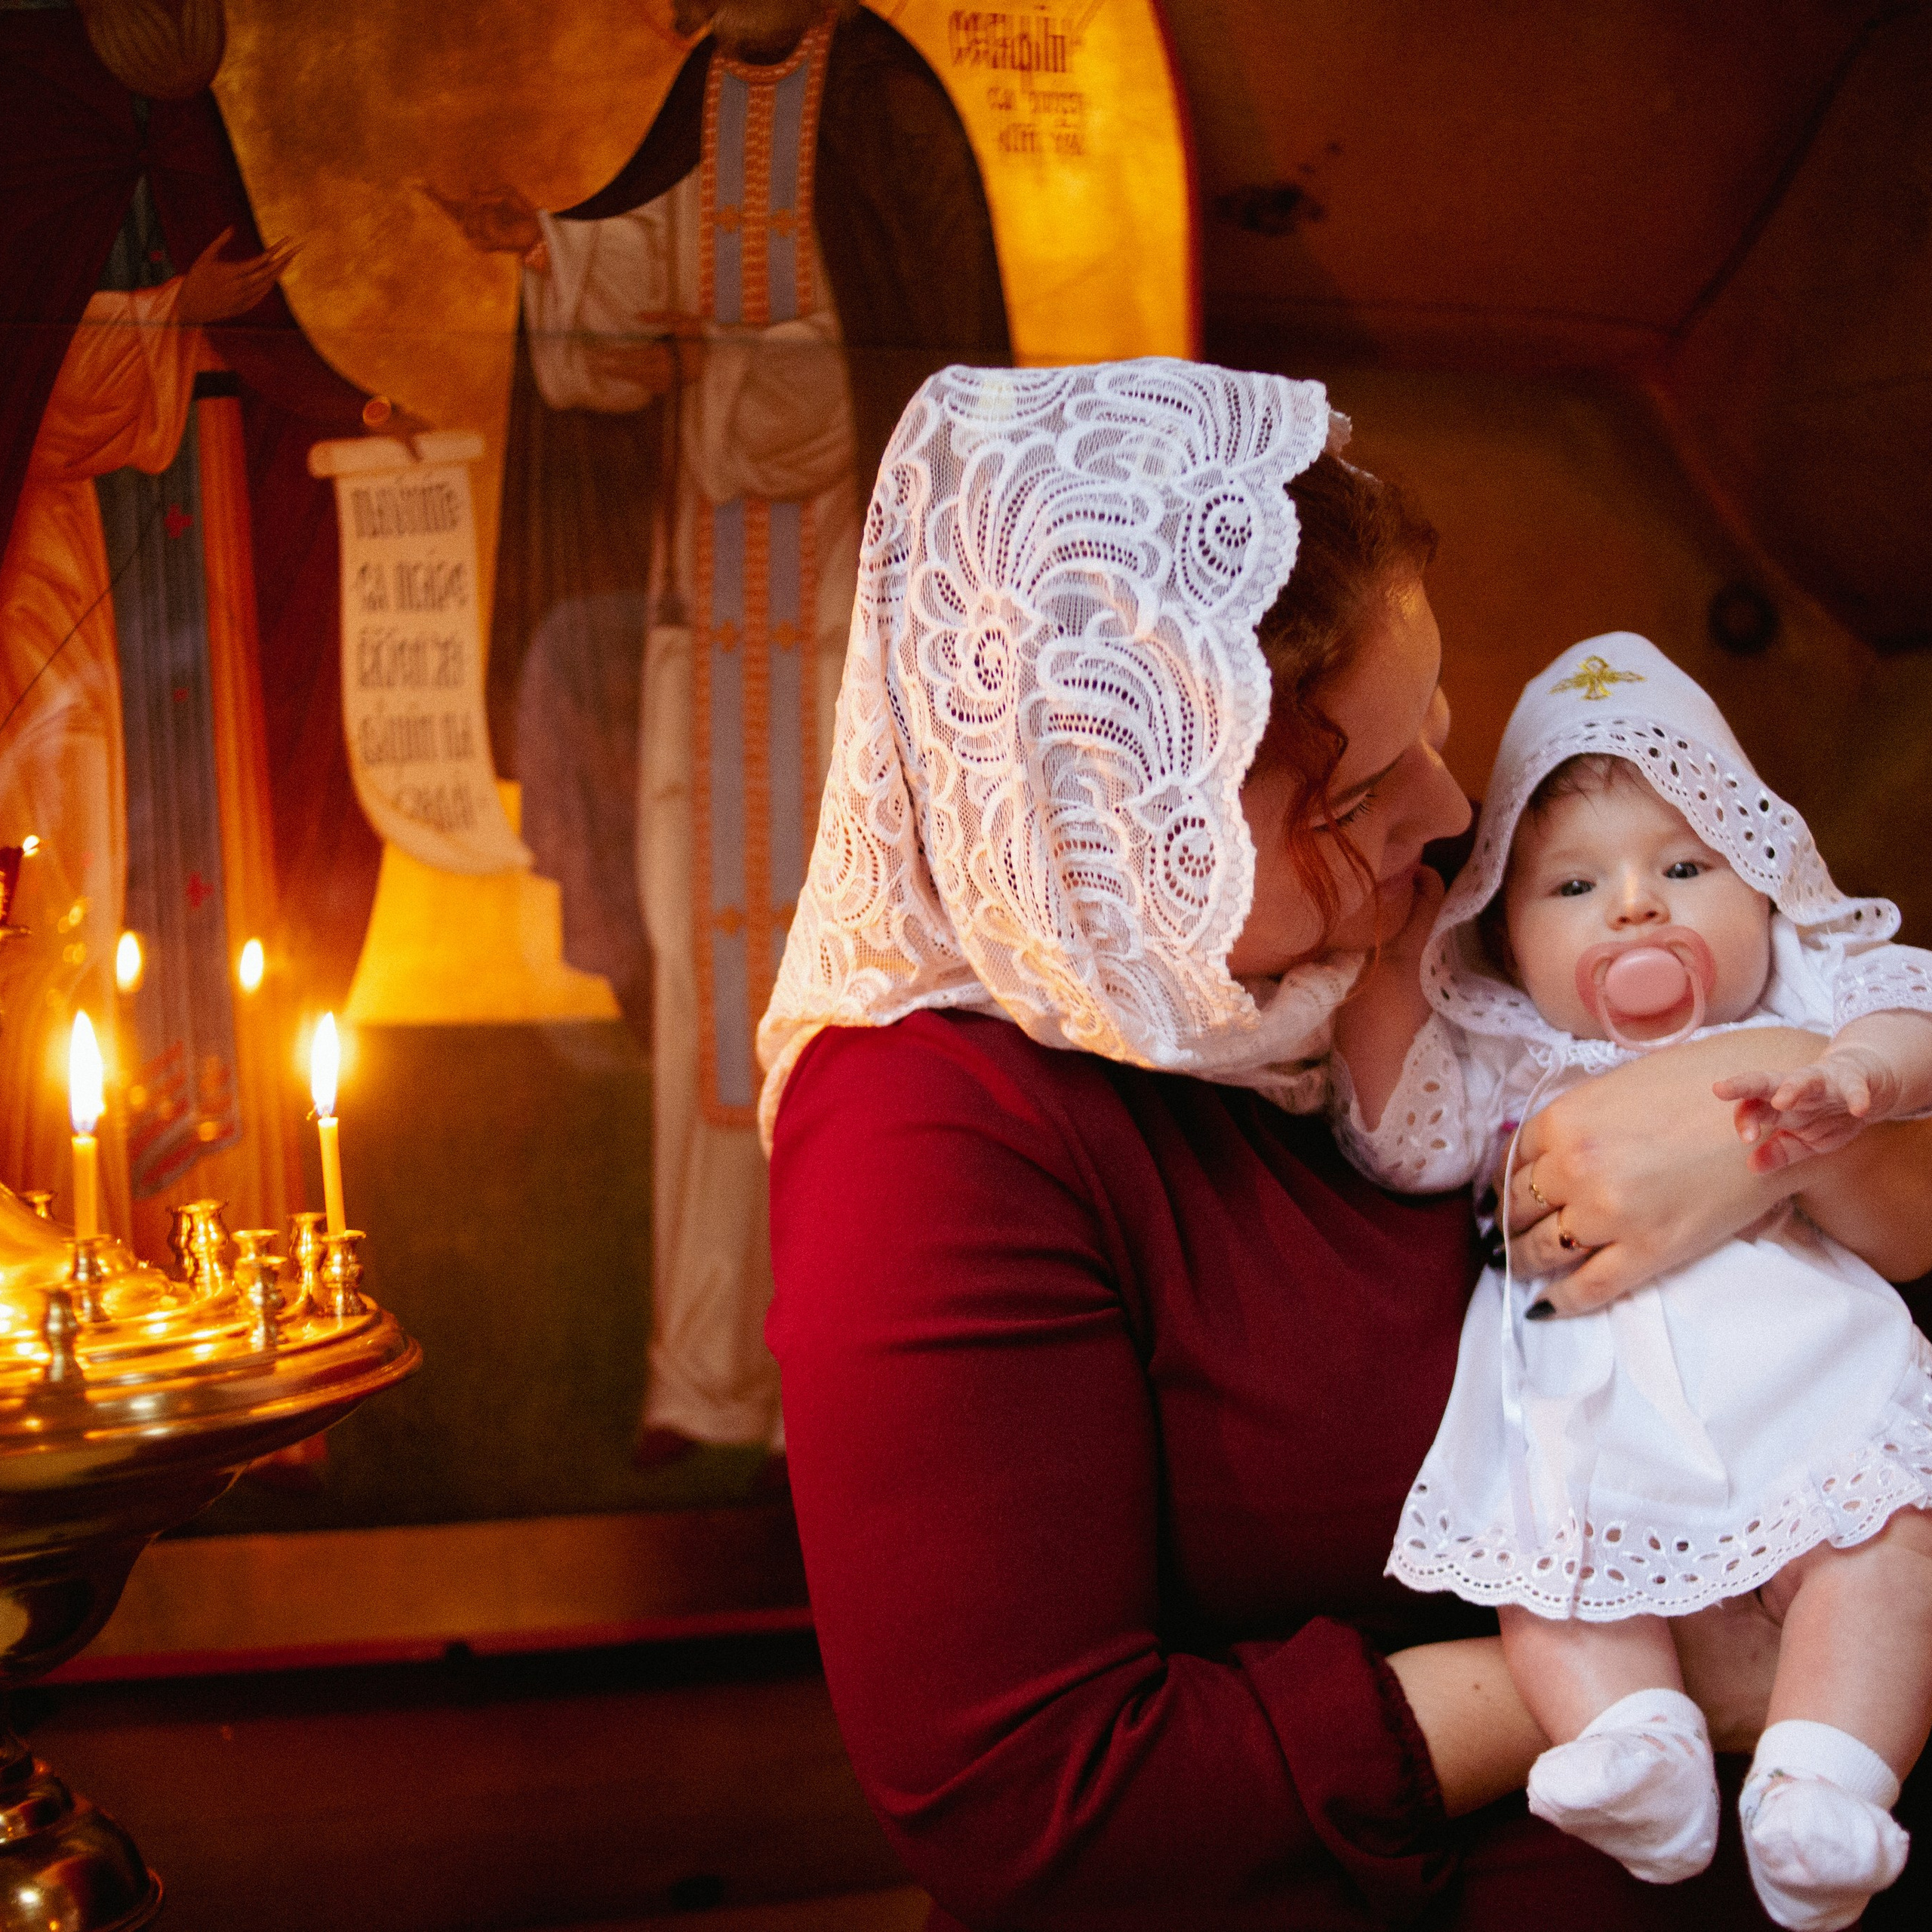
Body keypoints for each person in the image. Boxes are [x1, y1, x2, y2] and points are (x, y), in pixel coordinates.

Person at [755, 358, 1932, 1930]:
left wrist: (1770, 1110)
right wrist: (1657, 1668)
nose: (1450, 813)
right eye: (1361, 788)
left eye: (1433, 728)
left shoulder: (1362, 959)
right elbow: (1039, 1807)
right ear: (1117, 811)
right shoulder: (923, 1134)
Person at [429, 0, 1008, 1460]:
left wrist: (748, 361)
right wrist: (549, 246)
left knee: (853, 1011)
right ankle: (705, 1377)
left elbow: (881, 383)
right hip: (702, 651)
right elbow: (640, 306)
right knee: (706, 999)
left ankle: (853, 1367)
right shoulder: (711, 95)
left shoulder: (884, 105)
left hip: (842, 664)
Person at [1328, 634, 1932, 1927]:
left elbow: (1909, 1012)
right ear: (1499, 928)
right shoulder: (1508, 1049)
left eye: (1685, 865)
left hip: (1807, 1386)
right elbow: (1405, 1135)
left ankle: (1830, 1783)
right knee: (1546, 1573)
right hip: (1587, 1417)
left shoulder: (1801, 1000)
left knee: (1887, 1547)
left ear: (1763, 882)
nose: (1637, 909)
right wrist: (1378, 970)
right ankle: (1633, 1743)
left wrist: (1861, 1077)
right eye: (1574, 887)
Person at [0, 227, 290, 1221]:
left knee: (54, 926)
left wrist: (174, 311)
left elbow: (41, 375)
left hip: (39, 607)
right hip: (42, 608)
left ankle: (60, 1234)